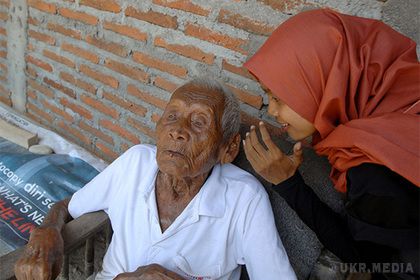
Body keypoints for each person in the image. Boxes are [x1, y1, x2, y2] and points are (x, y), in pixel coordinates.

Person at [14, 78, 297, 280]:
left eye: (199, 122)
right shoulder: (136, 162)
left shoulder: (244, 198)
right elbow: (67, 207)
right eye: (172, 116)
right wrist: (47, 231)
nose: (178, 131)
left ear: (229, 149)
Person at [242, 9, 419, 279]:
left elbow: (368, 261)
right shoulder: (401, 104)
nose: (272, 111)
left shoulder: (375, 168)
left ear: (326, 85)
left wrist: (289, 184)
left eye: (279, 98)